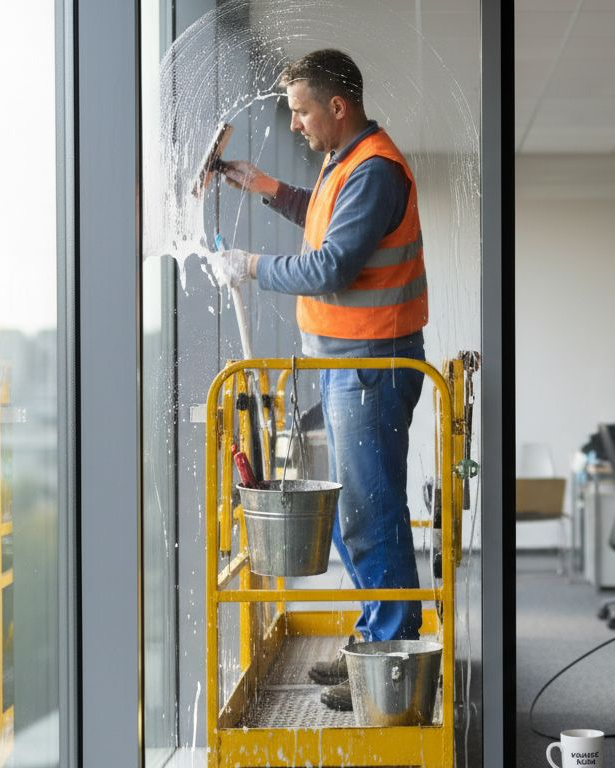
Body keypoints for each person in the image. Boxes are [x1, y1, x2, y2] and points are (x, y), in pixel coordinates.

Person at [206, 49, 427, 713]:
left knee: (369, 512)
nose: (296, 124)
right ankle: (377, 636)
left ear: (337, 105)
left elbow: (331, 265)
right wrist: (266, 186)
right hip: (348, 364)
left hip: (369, 366)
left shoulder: (375, 169)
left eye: (302, 112)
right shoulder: (346, 162)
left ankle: (390, 658)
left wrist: (250, 265)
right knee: (354, 512)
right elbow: (323, 218)